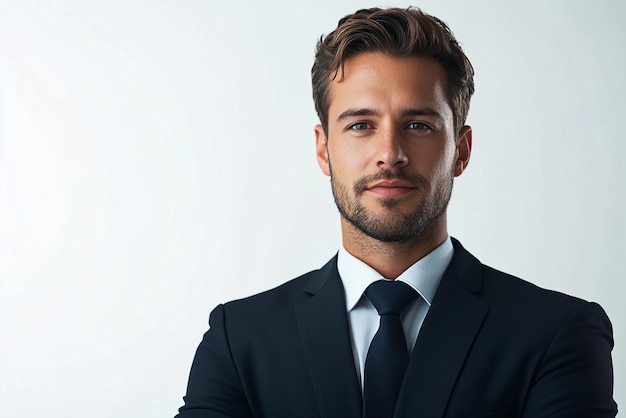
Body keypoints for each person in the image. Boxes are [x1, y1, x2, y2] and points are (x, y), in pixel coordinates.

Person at [175, 7, 617, 418]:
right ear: (324, 149)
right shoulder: (239, 339)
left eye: (418, 125)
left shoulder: (556, 334)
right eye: (361, 125)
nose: (390, 154)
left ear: (460, 151)